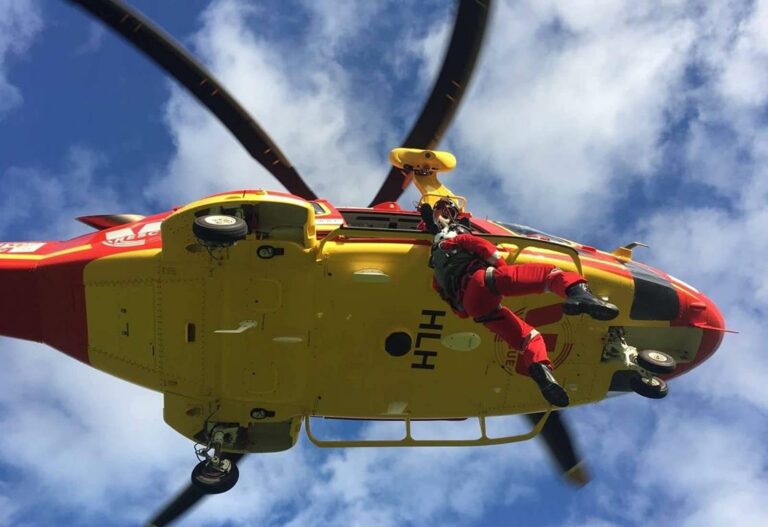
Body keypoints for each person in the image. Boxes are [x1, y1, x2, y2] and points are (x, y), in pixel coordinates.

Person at [420, 198, 619, 407]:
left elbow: (459, 312)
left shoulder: (437, 276)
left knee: (528, 338)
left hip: (477, 310)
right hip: (483, 282)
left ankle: (541, 370)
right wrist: (501, 271)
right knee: (549, 275)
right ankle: (578, 294)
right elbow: (487, 250)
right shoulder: (460, 240)